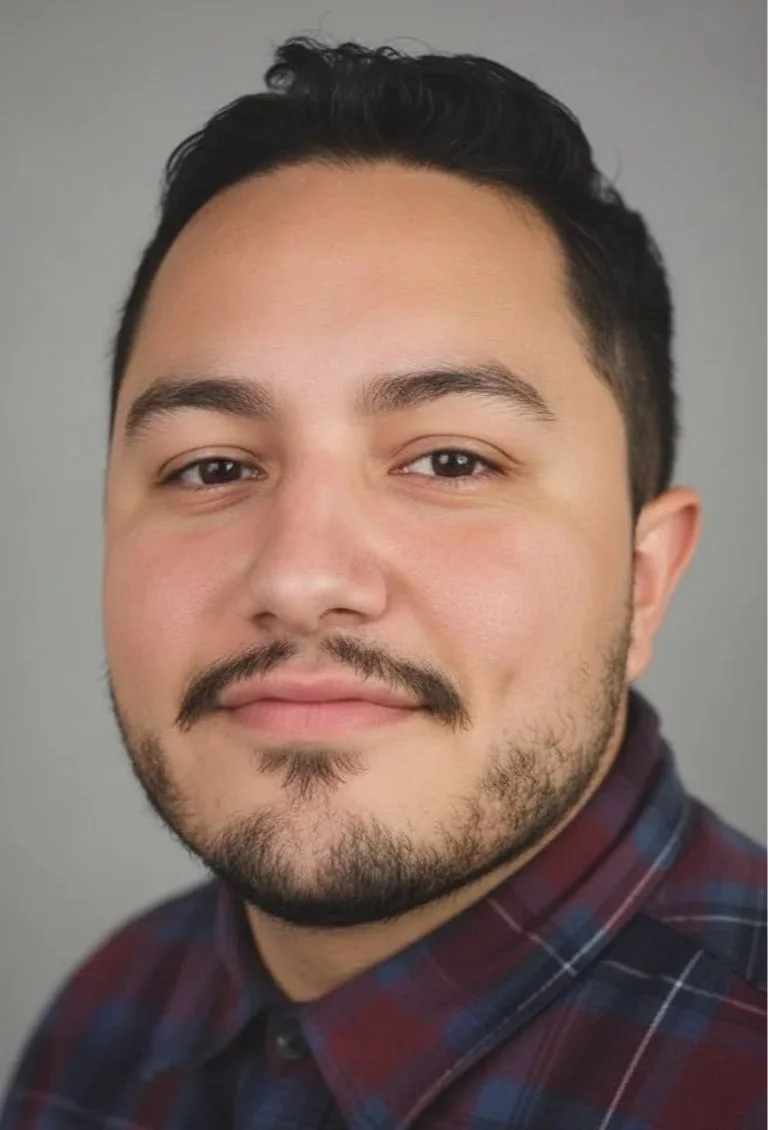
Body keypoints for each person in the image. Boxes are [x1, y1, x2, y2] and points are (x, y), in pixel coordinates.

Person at [1, 36, 764, 1130]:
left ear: (644, 581)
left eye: (451, 460)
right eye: (212, 466)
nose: (302, 577)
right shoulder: (103, 1019)